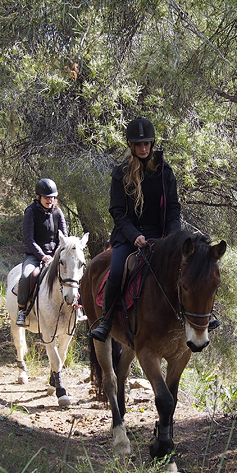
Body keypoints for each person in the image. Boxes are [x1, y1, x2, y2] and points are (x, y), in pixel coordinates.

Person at [89, 117, 182, 342]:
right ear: (131, 145)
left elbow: (173, 208)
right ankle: (106, 321)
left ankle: (200, 319)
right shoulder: (120, 173)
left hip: (159, 236)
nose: (143, 148)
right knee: (118, 271)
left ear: (152, 144)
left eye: (146, 144)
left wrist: (173, 238)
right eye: (138, 144)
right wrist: (134, 236)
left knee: (187, 268)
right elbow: (117, 211)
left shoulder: (164, 172)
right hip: (127, 236)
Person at [16, 178, 68, 326]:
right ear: (38, 197)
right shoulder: (31, 212)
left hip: (55, 255)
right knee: (27, 275)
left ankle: (78, 307)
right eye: (46, 197)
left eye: (52, 197)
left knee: (73, 273)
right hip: (35, 255)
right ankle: (22, 310)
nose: (49, 200)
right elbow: (29, 239)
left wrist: (57, 254)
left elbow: (63, 237)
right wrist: (43, 256)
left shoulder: (58, 212)